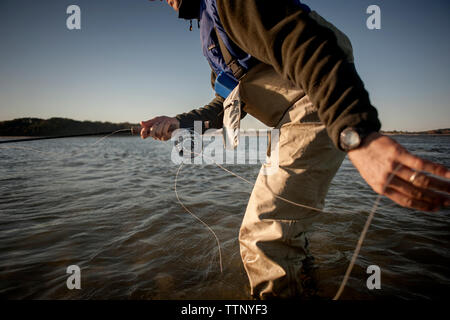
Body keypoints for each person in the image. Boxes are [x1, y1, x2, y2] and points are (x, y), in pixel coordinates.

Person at [142, 0, 450, 299]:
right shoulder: (213, 36)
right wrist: (178, 121)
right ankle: (307, 285)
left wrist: (359, 135)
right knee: (284, 235)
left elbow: (303, 42)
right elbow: (225, 105)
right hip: (290, 125)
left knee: (262, 236)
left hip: (314, 109)